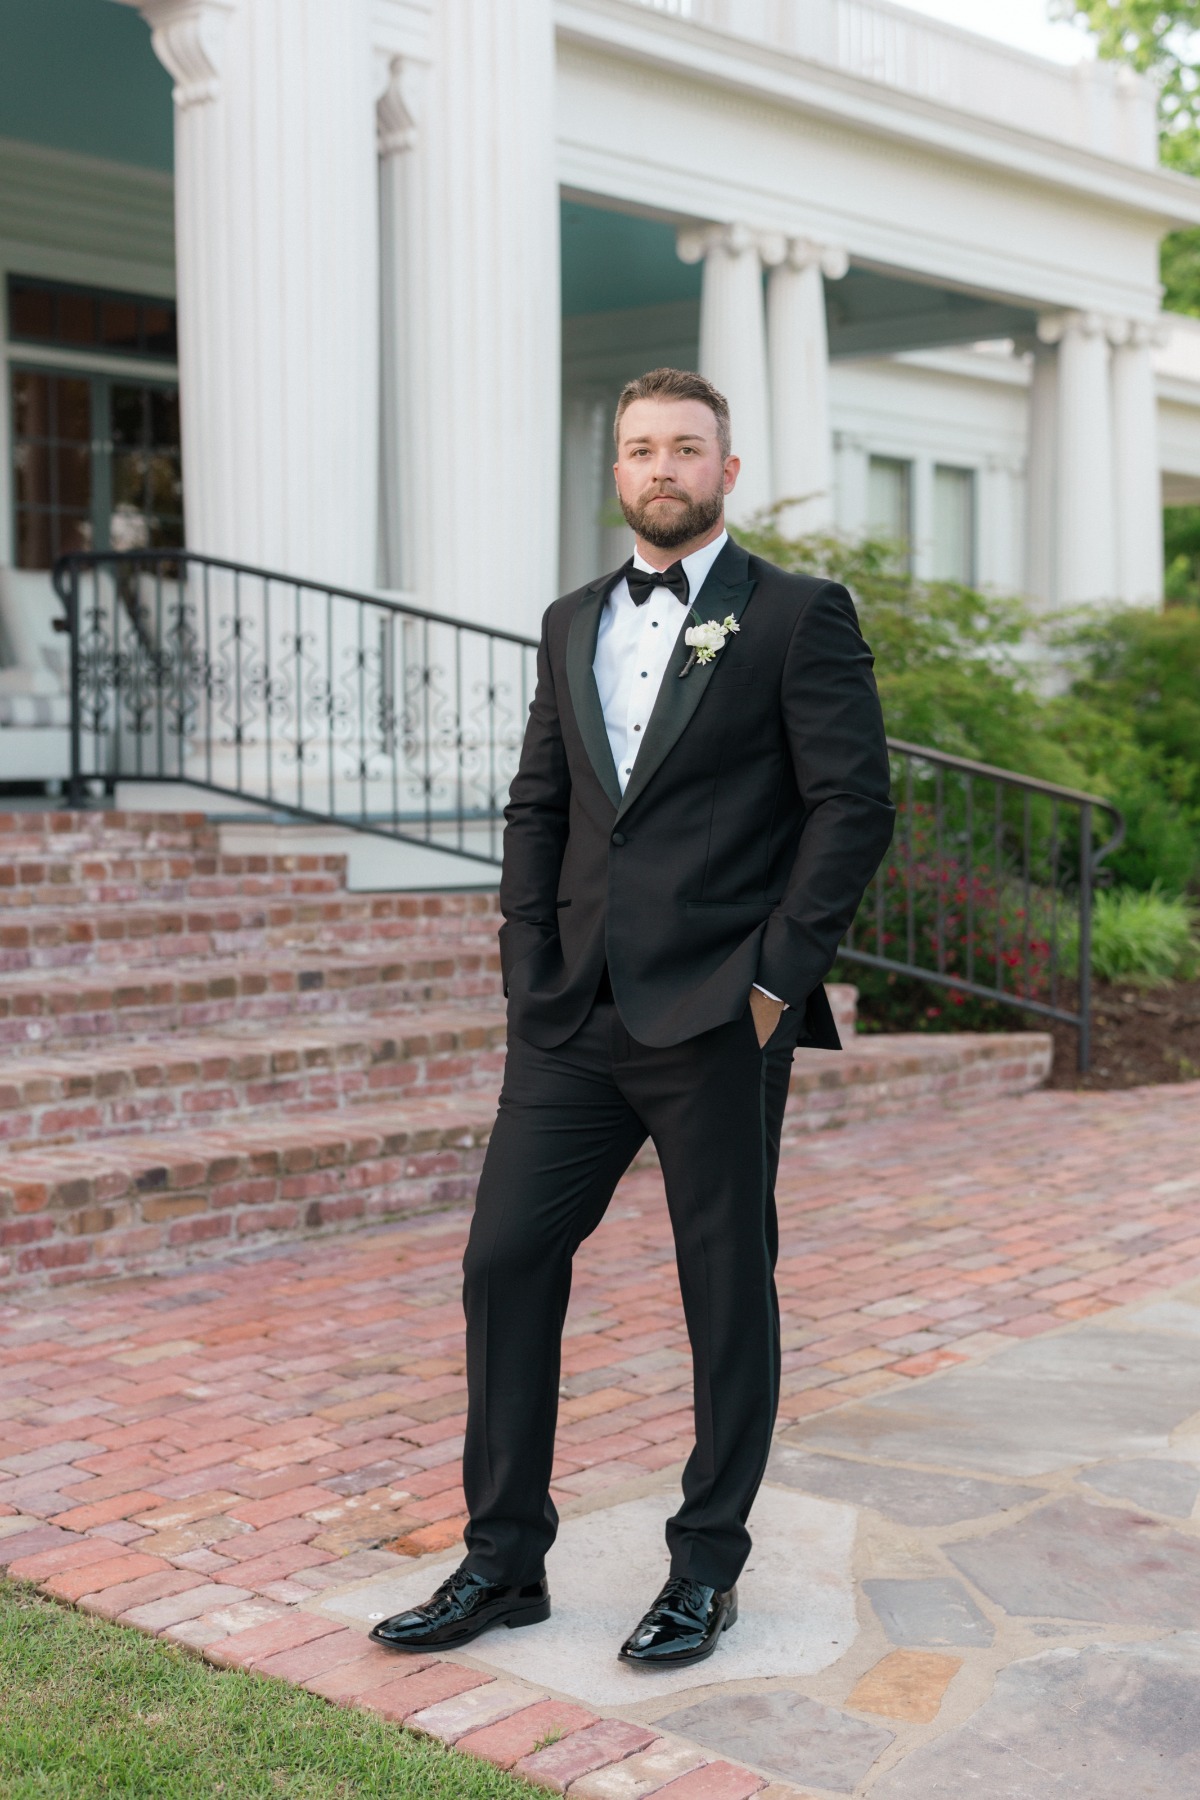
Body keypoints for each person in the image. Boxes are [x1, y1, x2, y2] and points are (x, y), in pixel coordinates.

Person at [371, 366, 895, 1669]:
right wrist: (523, 957)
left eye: (686, 447)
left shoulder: (794, 616)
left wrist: (775, 976)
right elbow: (539, 802)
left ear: (727, 469)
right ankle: (503, 1563)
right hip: (571, 1014)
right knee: (502, 1263)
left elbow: (853, 804)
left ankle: (704, 1569)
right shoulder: (568, 620)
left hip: (722, 1012)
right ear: (617, 473)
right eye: (639, 448)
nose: (661, 466)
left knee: (724, 1290)